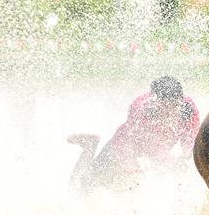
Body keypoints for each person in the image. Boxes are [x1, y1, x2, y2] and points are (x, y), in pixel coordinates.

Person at [68, 76, 200, 190]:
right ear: (156, 101)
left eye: (173, 106)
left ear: (180, 101)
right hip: (120, 147)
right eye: (165, 107)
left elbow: (189, 146)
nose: (169, 112)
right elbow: (128, 146)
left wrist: (182, 160)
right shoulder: (140, 109)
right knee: (85, 184)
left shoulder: (189, 111)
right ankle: (89, 146)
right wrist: (135, 171)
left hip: (155, 155)